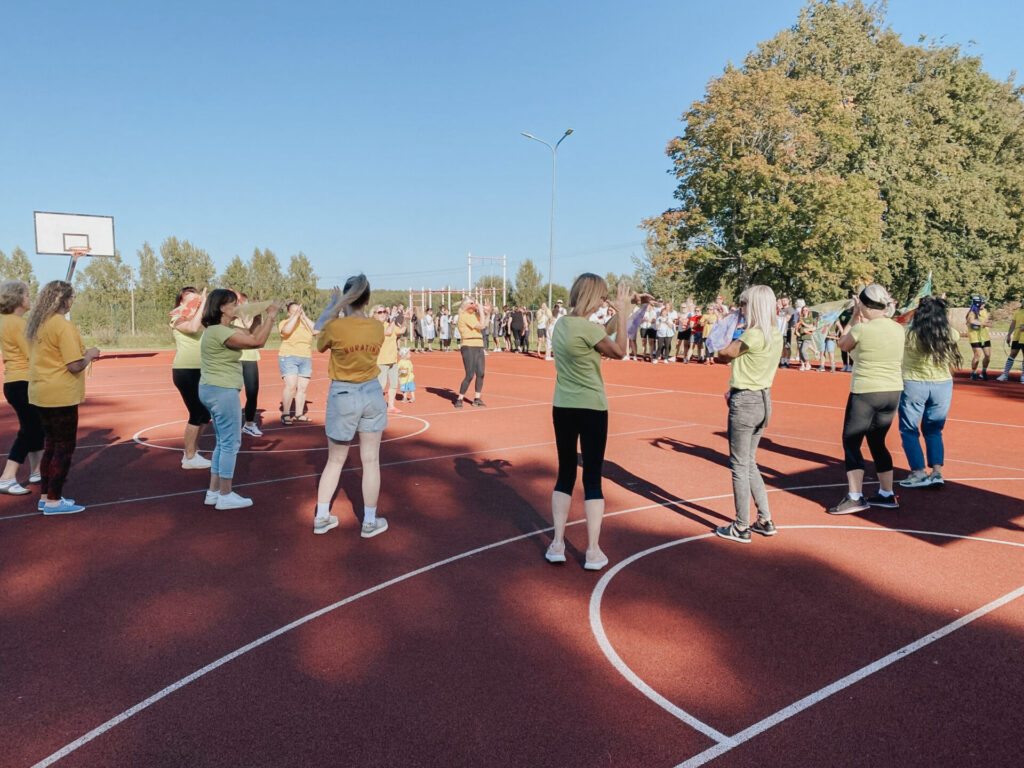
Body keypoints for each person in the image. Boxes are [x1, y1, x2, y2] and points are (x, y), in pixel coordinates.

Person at [545, 274, 641, 571]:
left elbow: (600, 333)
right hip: (592, 408)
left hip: (563, 406)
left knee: (564, 474)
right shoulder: (588, 329)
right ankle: (593, 551)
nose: (604, 301)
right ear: (591, 296)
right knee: (592, 479)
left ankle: (557, 543)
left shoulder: (562, 324)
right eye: (601, 296)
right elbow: (620, 350)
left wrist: (625, 313)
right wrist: (623, 312)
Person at [311, 275, 389, 537]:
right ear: (367, 299)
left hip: (343, 393)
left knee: (334, 460)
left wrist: (334, 305)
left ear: (347, 298)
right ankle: (369, 521)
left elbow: (318, 332)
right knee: (371, 461)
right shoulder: (377, 328)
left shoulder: (336, 326)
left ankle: (322, 516)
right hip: (371, 392)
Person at [713, 285, 785, 543]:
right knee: (749, 461)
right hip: (763, 398)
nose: (741, 309)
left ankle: (741, 525)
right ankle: (764, 519)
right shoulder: (775, 334)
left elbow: (723, 354)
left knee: (739, 465)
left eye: (744, 305)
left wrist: (721, 333)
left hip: (746, 400)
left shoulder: (753, 336)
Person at [199, 290, 281, 510]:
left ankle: (214, 492)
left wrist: (258, 317)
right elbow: (257, 342)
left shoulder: (222, 329)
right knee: (231, 443)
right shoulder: (219, 331)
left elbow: (252, 334)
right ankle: (225, 495)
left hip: (213, 389)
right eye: (234, 304)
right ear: (223, 308)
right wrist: (272, 316)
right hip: (221, 391)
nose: (237, 306)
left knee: (222, 441)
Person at [828, 284, 905, 514]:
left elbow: (842, 344)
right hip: (892, 391)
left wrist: (853, 316)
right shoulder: (898, 329)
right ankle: (887, 493)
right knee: (877, 441)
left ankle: (855, 496)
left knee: (851, 441)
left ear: (863, 304)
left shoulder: (862, 329)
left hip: (866, 390)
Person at [26, 280, 101, 515]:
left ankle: (46, 496)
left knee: (50, 445)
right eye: (72, 298)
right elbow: (74, 364)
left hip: (41, 391)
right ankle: (53, 500)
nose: (72, 302)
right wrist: (90, 355)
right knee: (63, 448)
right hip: (60, 394)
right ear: (65, 300)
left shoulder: (38, 324)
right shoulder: (62, 326)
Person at [898, 296, 961, 489]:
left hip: (914, 383)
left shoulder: (908, 334)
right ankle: (937, 472)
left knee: (909, 430)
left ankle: (918, 472)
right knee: (934, 430)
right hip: (942, 385)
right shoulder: (951, 333)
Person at [0, 281, 44, 495]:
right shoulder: (18, 324)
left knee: (34, 426)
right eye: (27, 295)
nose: (30, 298)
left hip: (14, 381)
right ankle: (7, 477)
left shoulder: (6, 321)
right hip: (24, 381)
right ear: (17, 298)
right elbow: (33, 354)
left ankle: (37, 471)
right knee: (30, 429)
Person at [170, 286, 213, 469]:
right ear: (181, 302)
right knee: (196, 412)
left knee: (205, 414)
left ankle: (193, 449)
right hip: (185, 370)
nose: (195, 301)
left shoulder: (202, 319)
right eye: (190, 298)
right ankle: (188, 457)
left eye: (197, 298)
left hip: (202, 370)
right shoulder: (177, 318)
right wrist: (201, 304)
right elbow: (193, 327)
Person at [278, 301, 315, 425]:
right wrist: (294, 317)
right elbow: (287, 331)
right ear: (288, 313)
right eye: (293, 311)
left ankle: (299, 414)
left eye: (298, 310)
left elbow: (316, 331)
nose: (297, 313)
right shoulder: (284, 323)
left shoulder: (305, 323)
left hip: (305, 357)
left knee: (303, 387)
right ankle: (286, 413)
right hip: (288, 356)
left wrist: (303, 316)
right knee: (291, 385)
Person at [235, 293, 263, 436]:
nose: (243, 306)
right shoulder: (230, 319)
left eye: (245, 303)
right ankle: (229, 423)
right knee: (231, 392)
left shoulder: (253, 319)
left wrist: (253, 314)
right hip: (234, 359)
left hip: (250, 358)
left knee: (252, 392)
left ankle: (249, 424)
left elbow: (256, 334)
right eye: (240, 303)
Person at [455, 298, 489, 408]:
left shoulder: (473, 315)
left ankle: (477, 398)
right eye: (471, 303)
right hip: (469, 346)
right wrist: (480, 309)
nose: (474, 305)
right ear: (465, 305)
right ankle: (459, 399)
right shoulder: (464, 315)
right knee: (469, 374)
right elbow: (481, 326)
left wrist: (487, 313)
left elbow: (485, 324)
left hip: (479, 345)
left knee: (481, 373)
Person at [375, 305, 404, 413]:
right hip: (381, 360)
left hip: (393, 360)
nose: (382, 314)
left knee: (393, 384)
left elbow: (401, 331)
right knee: (381, 385)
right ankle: (375, 405)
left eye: (384, 312)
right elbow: (388, 332)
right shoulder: (375, 327)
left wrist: (406, 318)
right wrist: (392, 320)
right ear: (375, 315)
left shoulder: (389, 324)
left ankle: (391, 406)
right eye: (380, 312)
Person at [997, 298, 1024, 382]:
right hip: (1017, 337)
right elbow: (1013, 324)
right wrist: (1008, 335)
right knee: (1012, 354)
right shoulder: (1017, 312)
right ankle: (1005, 374)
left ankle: (1023, 376)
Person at [966, 296, 992, 380]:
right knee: (977, 354)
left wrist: (989, 323)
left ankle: (983, 372)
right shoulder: (972, 312)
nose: (984, 304)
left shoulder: (984, 311)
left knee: (988, 355)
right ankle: (973, 373)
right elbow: (971, 321)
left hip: (985, 337)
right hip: (975, 337)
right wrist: (984, 324)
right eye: (982, 303)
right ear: (978, 303)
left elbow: (986, 320)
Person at [797, 305, 816, 370]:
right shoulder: (800, 318)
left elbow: (811, 326)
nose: (804, 311)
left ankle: (807, 363)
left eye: (806, 310)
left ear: (808, 311)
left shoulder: (810, 318)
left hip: (807, 336)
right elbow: (798, 325)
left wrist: (803, 323)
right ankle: (802, 365)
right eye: (803, 310)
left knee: (803, 350)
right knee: (800, 351)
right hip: (800, 336)